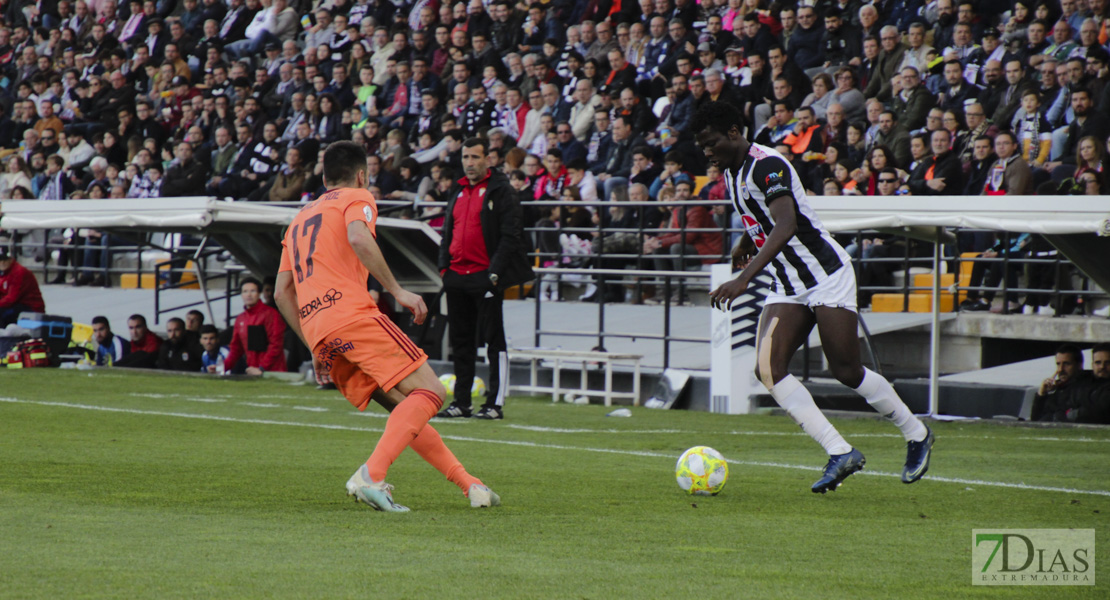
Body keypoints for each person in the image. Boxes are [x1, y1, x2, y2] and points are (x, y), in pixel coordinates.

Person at [693, 101, 934, 493]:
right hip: (788, 282)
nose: (706, 152)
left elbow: (787, 223)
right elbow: (762, 216)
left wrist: (743, 279)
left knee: (846, 370)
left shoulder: (766, 165)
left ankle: (917, 433)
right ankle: (840, 452)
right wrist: (744, 242)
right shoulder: (732, 170)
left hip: (826, 275)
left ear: (734, 133)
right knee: (768, 369)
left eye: (710, 143)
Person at [274, 140, 499, 512]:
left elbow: (283, 292)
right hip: (351, 314)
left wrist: (314, 345)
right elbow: (359, 236)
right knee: (430, 392)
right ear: (361, 174)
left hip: (319, 328)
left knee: (405, 411)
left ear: (325, 176)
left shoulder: (298, 218)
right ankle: (371, 475)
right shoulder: (357, 196)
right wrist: (397, 291)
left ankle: (469, 484)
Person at [436, 137, 534, 420]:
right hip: (457, 276)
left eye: (475, 157)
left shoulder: (501, 191)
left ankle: (495, 403)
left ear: (488, 159)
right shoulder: (458, 189)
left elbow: (511, 235)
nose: (469, 163)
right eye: (465, 157)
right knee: (461, 341)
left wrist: (494, 273)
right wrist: (444, 268)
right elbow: (447, 232)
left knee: (494, 340)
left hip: (485, 278)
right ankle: (462, 402)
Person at [224, 277, 287, 375]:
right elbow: (236, 348)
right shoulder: (240, 319)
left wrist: (261, 368)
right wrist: (222, 367)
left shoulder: (271, 314)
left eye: (252, 291)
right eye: (245, 291)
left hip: (273, 372)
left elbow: (276, 345)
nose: (248, 294)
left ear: (259, 294)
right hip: (253, 371)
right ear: (241, 294)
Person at [1038, 343, 1110, 424]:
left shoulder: (1083, 384)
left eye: (1107, 362)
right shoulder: (1071, 386)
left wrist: (1068, 414)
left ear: (1079, 365)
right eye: (1098, 362)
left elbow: (1096, 411)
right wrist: (1041, 395)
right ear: (1092, 364)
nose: (1102, 366)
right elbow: (1036, 419)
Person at [1031, 344, 1091, 421]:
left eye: (1066, 364)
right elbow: (1035, 421)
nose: (1060, 369)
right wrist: (1041, 395)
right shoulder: (1058, 389)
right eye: (1058, 364)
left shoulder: (1086, 387)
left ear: (1079, 365)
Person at [0, 245, 46, 327]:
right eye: (0, 260)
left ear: (11, 259)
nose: (2, 263)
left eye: (5, 260)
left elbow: (12, 298)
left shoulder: (19, 272)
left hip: (30, 308)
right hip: (15, 305)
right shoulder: (3, 273)